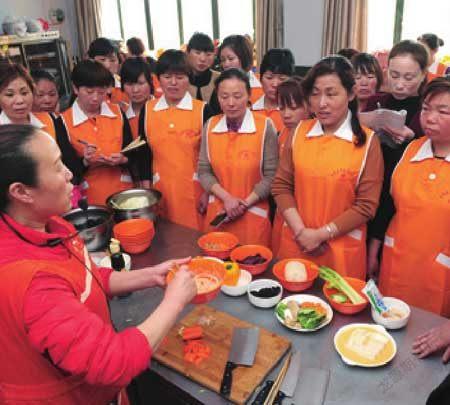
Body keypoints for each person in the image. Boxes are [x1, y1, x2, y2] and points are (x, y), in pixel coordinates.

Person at [0, 124, 197, 404]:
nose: (70, 174)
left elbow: (87, 278)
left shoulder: (49, 225)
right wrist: (175, 302)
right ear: (22, 192)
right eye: (57, 167)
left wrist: (151, 276)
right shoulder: (30, 282)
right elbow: (112, 363)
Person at [272, 56, 384, 279]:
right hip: (297, 243)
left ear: (350, 94)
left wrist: (321, 234)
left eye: (331, 94)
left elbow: (366, 206)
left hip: (340, 252)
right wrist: (302, 233)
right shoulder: (299, 132)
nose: (322, 103)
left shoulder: (367, 143)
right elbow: (281, 186)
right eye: (315, 94)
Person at [378, 77, 450, 316]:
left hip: (440, 276)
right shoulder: (410, 149)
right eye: (426, 108)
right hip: (396, 265)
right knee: (389, 322)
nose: (430, 118)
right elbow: (388, 205)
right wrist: (374, 249)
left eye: (443, 111)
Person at [365, 40, 428, 279]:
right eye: (394, 75)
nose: (400, 84)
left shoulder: (426, 111)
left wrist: (414, 140)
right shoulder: (376, 101)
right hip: (370, 186)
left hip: (402, 197)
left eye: (409, 77)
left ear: (423, 75)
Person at [198, 68, 279, 246]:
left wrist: (243, 204)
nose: (231, 103)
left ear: (249, 95)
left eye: (237, 96)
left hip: (253, 217)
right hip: (218, 214)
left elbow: (272, 176)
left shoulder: (265, 126)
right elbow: (203, 171)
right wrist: (227, 199)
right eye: (224, 96)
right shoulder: (210, 125)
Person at [61, 60, 149, 206]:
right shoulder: (64, 121)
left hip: (124, 193)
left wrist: (123, 159)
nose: (95, 98)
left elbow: (133, 152)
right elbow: (66, 168)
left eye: (101, 92)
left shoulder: (117, 112)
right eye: (89, 92)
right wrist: (85, 162)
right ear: (75, 88)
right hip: (89, 198)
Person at [139, 50, 209, 231]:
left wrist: (208, 192)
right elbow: (143, 154)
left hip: (195, 191)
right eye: (167, 76)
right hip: (160, 190)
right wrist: (147, 192)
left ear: (189, 78)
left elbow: (212, 156)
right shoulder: (148, 110)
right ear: (158, 79)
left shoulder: (202, 110)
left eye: (180, 77)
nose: (173, 82)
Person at [0, 63, 83, 187]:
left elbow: (67, 163)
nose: (20, 101)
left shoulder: (50, 120)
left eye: (24, 93)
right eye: (10, 95)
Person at [271, 76, 310, 256]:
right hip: (282, 212)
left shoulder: (315, 136)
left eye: (294, 108)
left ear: (309, 105)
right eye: (281, 108)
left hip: (305, 217)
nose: (286, 114)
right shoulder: (281, 134)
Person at [251, 48, 295, 132]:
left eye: (282, 78)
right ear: (260, 79)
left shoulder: (296, 114)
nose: (275, 84)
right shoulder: (250, 110)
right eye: (269, 77)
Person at [218, 35, 263, 104]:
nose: (226, 64)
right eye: (223, 60)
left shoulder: (261, 84)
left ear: (244, 57)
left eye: (231, 59)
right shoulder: (219, 85)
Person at [88, 37, 129, 106]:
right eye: (102, 60)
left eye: (112, 60)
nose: (107, 66)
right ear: (91, 61)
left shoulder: (126, 86)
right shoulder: (84, 89)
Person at [120, 58, 154, 139]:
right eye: (129, 84)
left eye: (141, 83)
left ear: (150, 82)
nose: (135, 90)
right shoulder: (120, 116)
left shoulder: (164, 111)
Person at [186, 32, 220, 103]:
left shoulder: (220, 79)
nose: (203, 59)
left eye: (208, 54)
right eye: (197, 53)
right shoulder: (179, 79)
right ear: (187, 53)